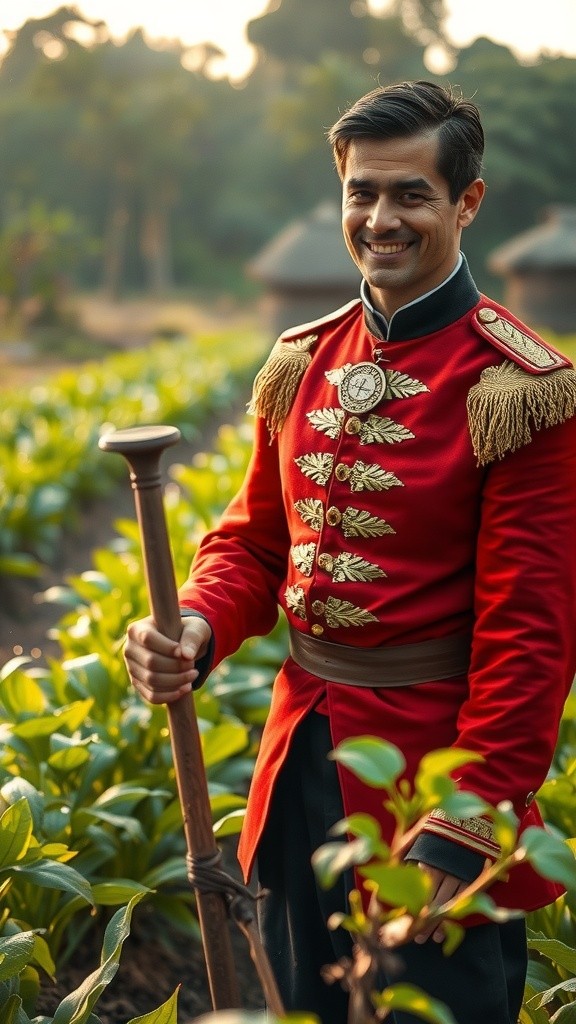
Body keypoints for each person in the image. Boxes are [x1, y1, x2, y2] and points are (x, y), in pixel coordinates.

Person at [124, 80, 576, 1024]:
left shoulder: (521, 388)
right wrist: (197, 625)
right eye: (362, 192)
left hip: (431, 789)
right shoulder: (301, 358)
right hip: (298, 769)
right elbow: (253, 545)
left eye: (411, 194)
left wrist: (465, 822)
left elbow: (529, 639)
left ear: (467, 203)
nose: (381, 218)